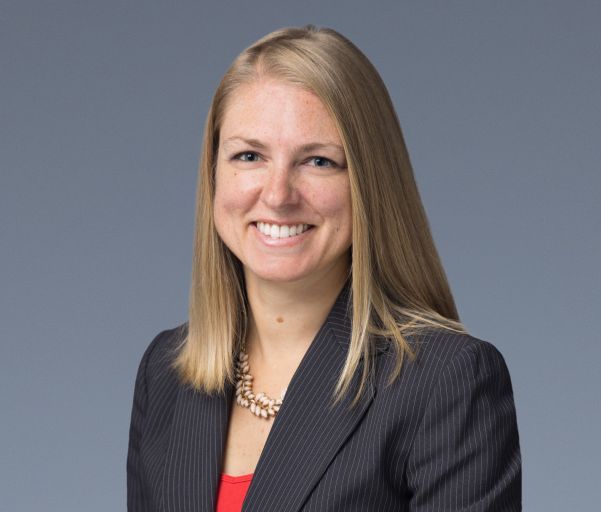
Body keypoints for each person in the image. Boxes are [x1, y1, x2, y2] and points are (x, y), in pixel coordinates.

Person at [126, 24, 522, 512]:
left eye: (318, 161)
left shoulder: (445, 382)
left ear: (371, 183)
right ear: (213, 173)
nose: (277, 195)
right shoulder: (166, 373)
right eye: (249, 156)